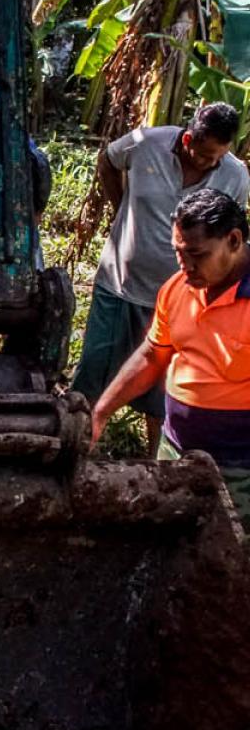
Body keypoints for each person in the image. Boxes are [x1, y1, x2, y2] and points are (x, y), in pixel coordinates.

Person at [77, 102, 250, 455]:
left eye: (218, 156)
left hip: (237, 462)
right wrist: (120, 207)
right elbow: (107, 162)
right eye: (203, 155)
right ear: (187, 139)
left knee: (162, 391)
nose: (210, 163)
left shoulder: (235, 176)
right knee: (95, 365)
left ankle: (156, 452)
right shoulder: (145, 144)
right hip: (123, 282)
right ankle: (79, 438)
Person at [91, 188, 250, 528]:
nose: (185, 265)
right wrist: (101, 411)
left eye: (197, 254)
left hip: (240, 467)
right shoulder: (177, 288)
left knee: (232, 557)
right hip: (175, 449)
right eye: (179, 252)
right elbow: (153, 355)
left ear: (234, 241)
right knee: (172, 543)